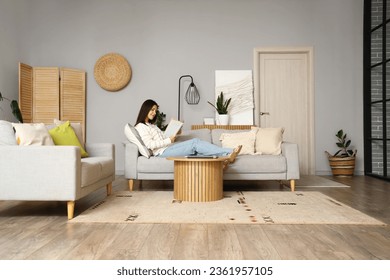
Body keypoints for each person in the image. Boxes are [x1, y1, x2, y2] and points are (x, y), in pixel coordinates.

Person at [134, 99, 241, 166]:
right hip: (161, 153)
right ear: (146, 109)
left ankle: (225, 159)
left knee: (197, 152)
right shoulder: (140, 127)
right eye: (152, 110)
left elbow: (162, 137)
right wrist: (168, 140)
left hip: (167, 148)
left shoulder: (151, 125)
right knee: (195, 143)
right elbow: (150, 145)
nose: (154, 113)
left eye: (155, 110)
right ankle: (229, 152)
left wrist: (173, 131)